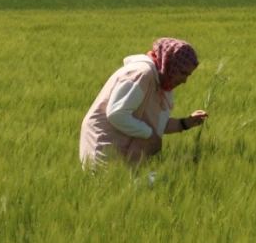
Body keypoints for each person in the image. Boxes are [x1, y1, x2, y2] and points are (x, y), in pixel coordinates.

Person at [80, 38, 209, 168]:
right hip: (105, 146)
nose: (184, 80)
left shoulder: (162, 82)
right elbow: (117, 114)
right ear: (171, 64)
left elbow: (152, 123)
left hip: (126, 151)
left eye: (189, 75)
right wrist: (149, 135)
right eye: (183, 73)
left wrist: (184, 123)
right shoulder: (141, 73)